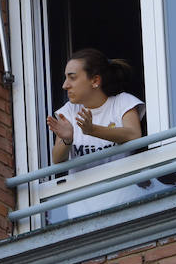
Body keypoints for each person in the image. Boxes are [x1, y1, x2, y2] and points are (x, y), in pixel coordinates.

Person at [45, 49, 145, 219]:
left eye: (72, 77)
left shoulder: (122, 102)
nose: (65, 85)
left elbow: (134, 135)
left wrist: (93, 130)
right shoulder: (69, 111)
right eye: (65, 77)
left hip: (126, 204)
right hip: (81, 213)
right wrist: (67, 140)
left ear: (95, 80)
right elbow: (57, 158)